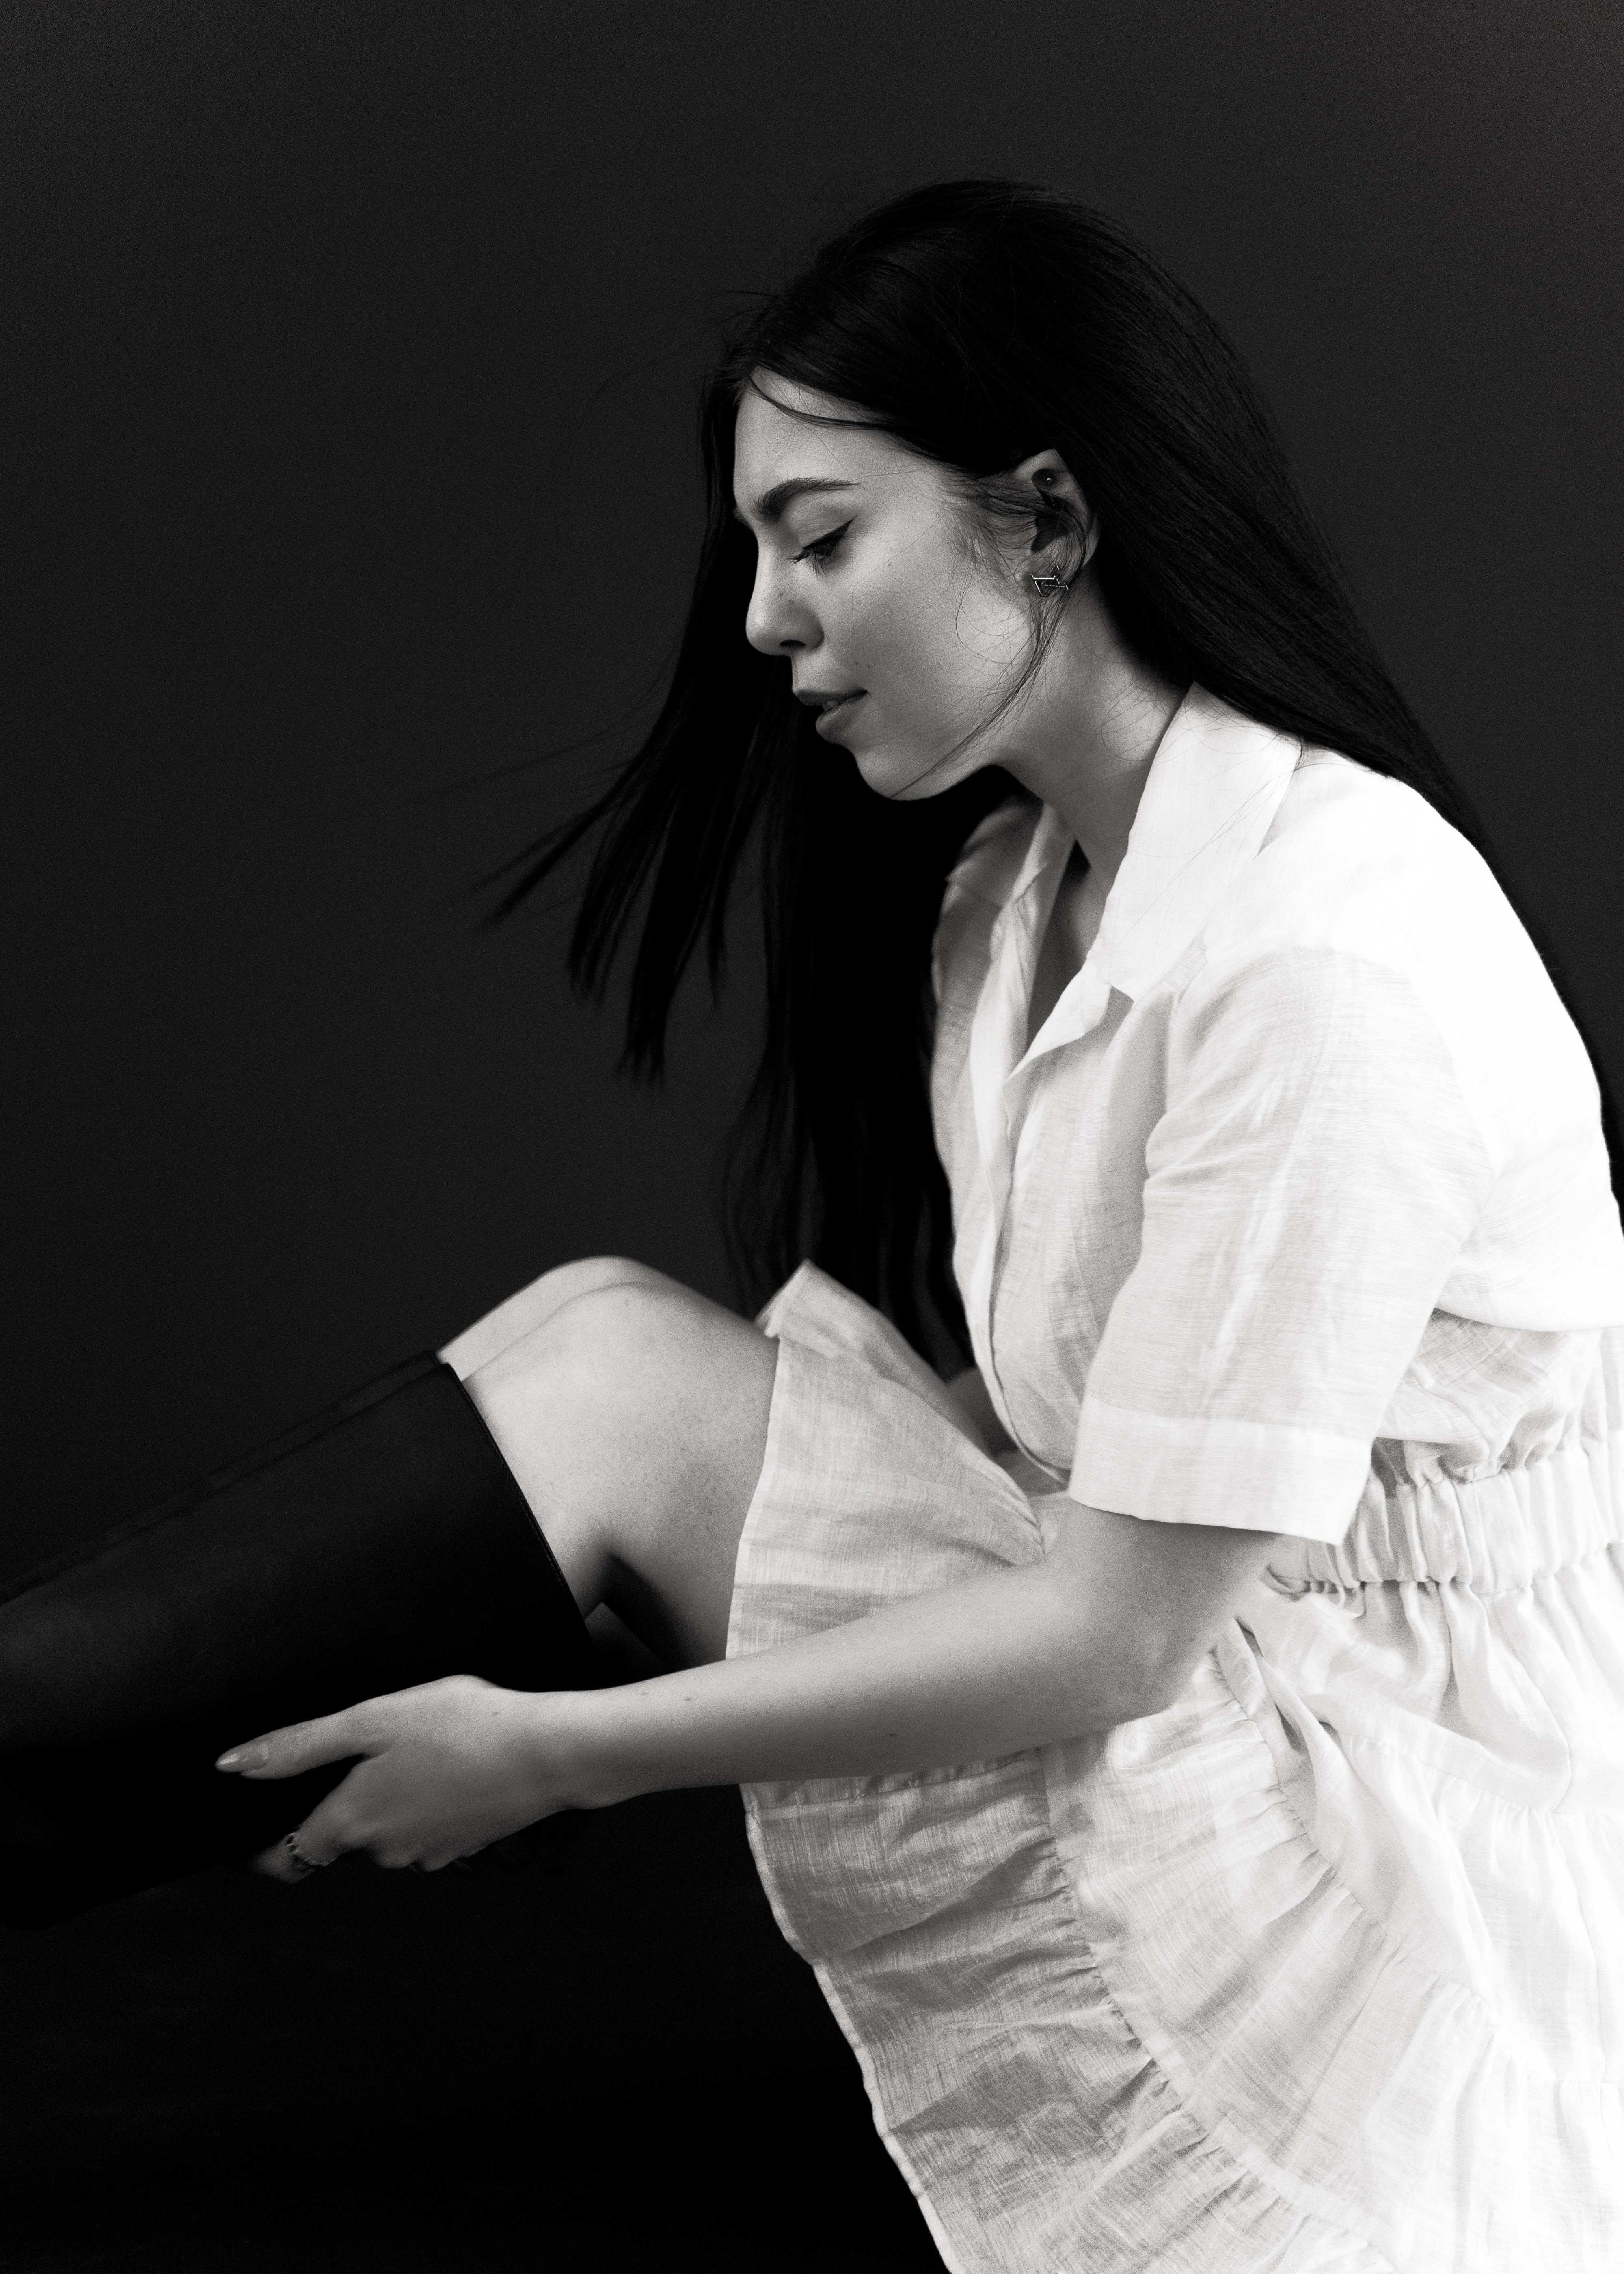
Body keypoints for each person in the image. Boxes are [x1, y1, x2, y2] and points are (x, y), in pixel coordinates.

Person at [17, 182, 1624, 2270]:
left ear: (1045, 518)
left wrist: (558, 1750)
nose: (763, 614)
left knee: (613, 1375)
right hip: (1187, 1669)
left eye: (819, 531)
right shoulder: (1017, 894)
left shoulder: (1325, 953)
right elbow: (1059, 1418)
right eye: (758, 540)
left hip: (1360, 1857)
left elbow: (1113, 1632)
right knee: (602, 1349)